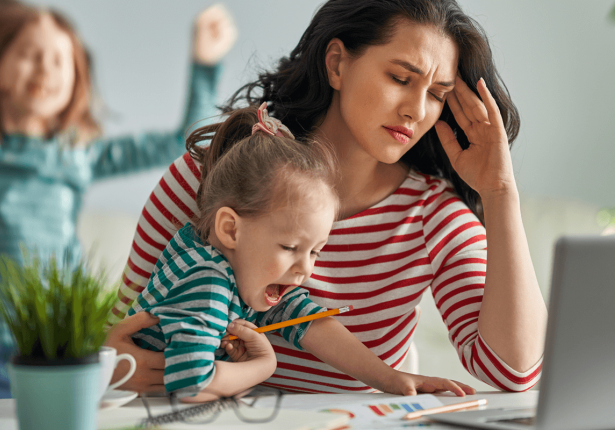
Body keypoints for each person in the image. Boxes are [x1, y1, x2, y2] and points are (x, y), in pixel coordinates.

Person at [106, 0, 548, 395]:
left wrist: (499, 193)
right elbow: (115, 330)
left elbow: (513, 372)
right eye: (400, 78)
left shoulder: (433, 218)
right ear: (336, 64)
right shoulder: (212, 177)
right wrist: (110, 366)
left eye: (437, 95)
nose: (416, 110)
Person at [0, 0, 235, 427]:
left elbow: (186, 141)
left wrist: (205, 64)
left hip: (72, 353)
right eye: (31, 54)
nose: (46, 67)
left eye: (60, 59)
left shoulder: (75, 154)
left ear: (75, 81)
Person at [128, 103, 476, 401]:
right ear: (230, 229)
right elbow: (191, 384)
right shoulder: (207, 282)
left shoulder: (237, 268)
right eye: (290, 248)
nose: (304, 270)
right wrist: (263, 367)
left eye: (315, 253)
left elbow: (308, 320)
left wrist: (389, 378)